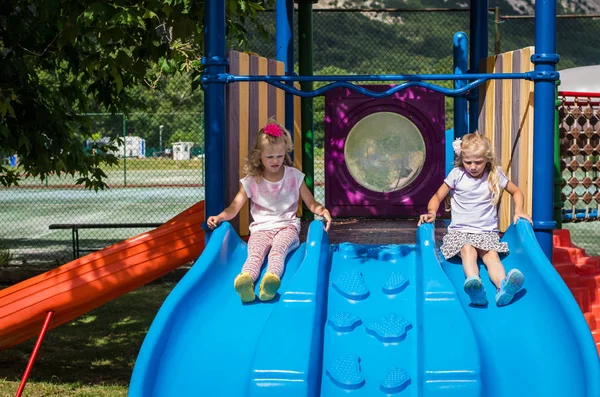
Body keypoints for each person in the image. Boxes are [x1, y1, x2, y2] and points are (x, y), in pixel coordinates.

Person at [207, 120, 332, 303]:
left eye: (280, 156)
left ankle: (270, 280)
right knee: (255, 253)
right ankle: (246, 280)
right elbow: (234, 207)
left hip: (287, 228)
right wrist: (219, 217)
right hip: (260, 229)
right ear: (259, 157)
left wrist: (322, 210)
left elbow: (311, 203)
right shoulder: (252, 181)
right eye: (270, 157)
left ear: (285, 154)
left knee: (278, 251)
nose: (275, 161)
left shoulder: (294, 176)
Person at [418, 132, 532, 306]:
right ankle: (474, 285)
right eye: (468, 162)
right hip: (460, 232)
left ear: (487, 159)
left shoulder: (494, 175)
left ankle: (503, 286)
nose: (472, 166)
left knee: (491, 256)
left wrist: (519, 210)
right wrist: (432, 213)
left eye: (478, 162)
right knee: (467, 250)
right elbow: (436, 197)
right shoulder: (457, 175)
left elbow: (516, 192)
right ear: (461, 159)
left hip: (486, 233)